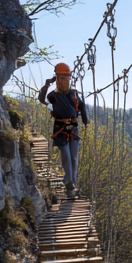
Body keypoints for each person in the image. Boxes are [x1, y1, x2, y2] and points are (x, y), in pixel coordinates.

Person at [37, 62, 89, 198]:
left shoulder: (75, 94)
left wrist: (85, 120)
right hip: (60, 129)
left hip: (73, 130)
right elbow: (42, 99)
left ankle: (73, 184)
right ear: (57, 79)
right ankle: (69, 184)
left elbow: (82, 107)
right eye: (62, 78)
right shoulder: (53, 96)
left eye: (66, 77)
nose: (65, 80)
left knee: (73, 157)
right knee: (66, 156)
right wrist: (47, 84)